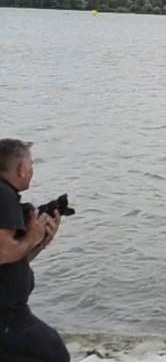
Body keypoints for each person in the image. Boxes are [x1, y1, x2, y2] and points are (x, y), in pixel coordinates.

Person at [0, 139, 69, 362]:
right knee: (53, 352)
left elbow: (14, 259)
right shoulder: (3, 195)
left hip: (9, 311)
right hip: (7, 315)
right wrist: (31, 236)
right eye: (31, 164)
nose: (32, 170)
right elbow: (2, 252)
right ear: (21, 169)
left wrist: (40, 240)